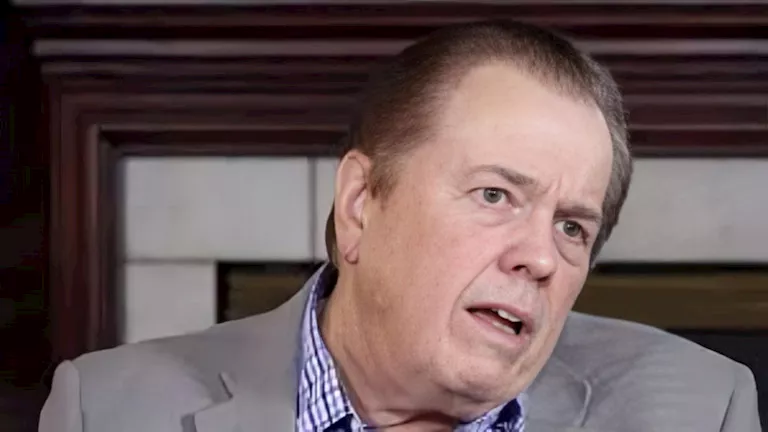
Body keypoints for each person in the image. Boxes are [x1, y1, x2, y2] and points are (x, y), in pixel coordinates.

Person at [39, 20, 761, 432]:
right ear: (360, 203)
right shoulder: (107, 411)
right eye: (495, 195)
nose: (541, 257)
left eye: (573, 227)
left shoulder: (701, 410)